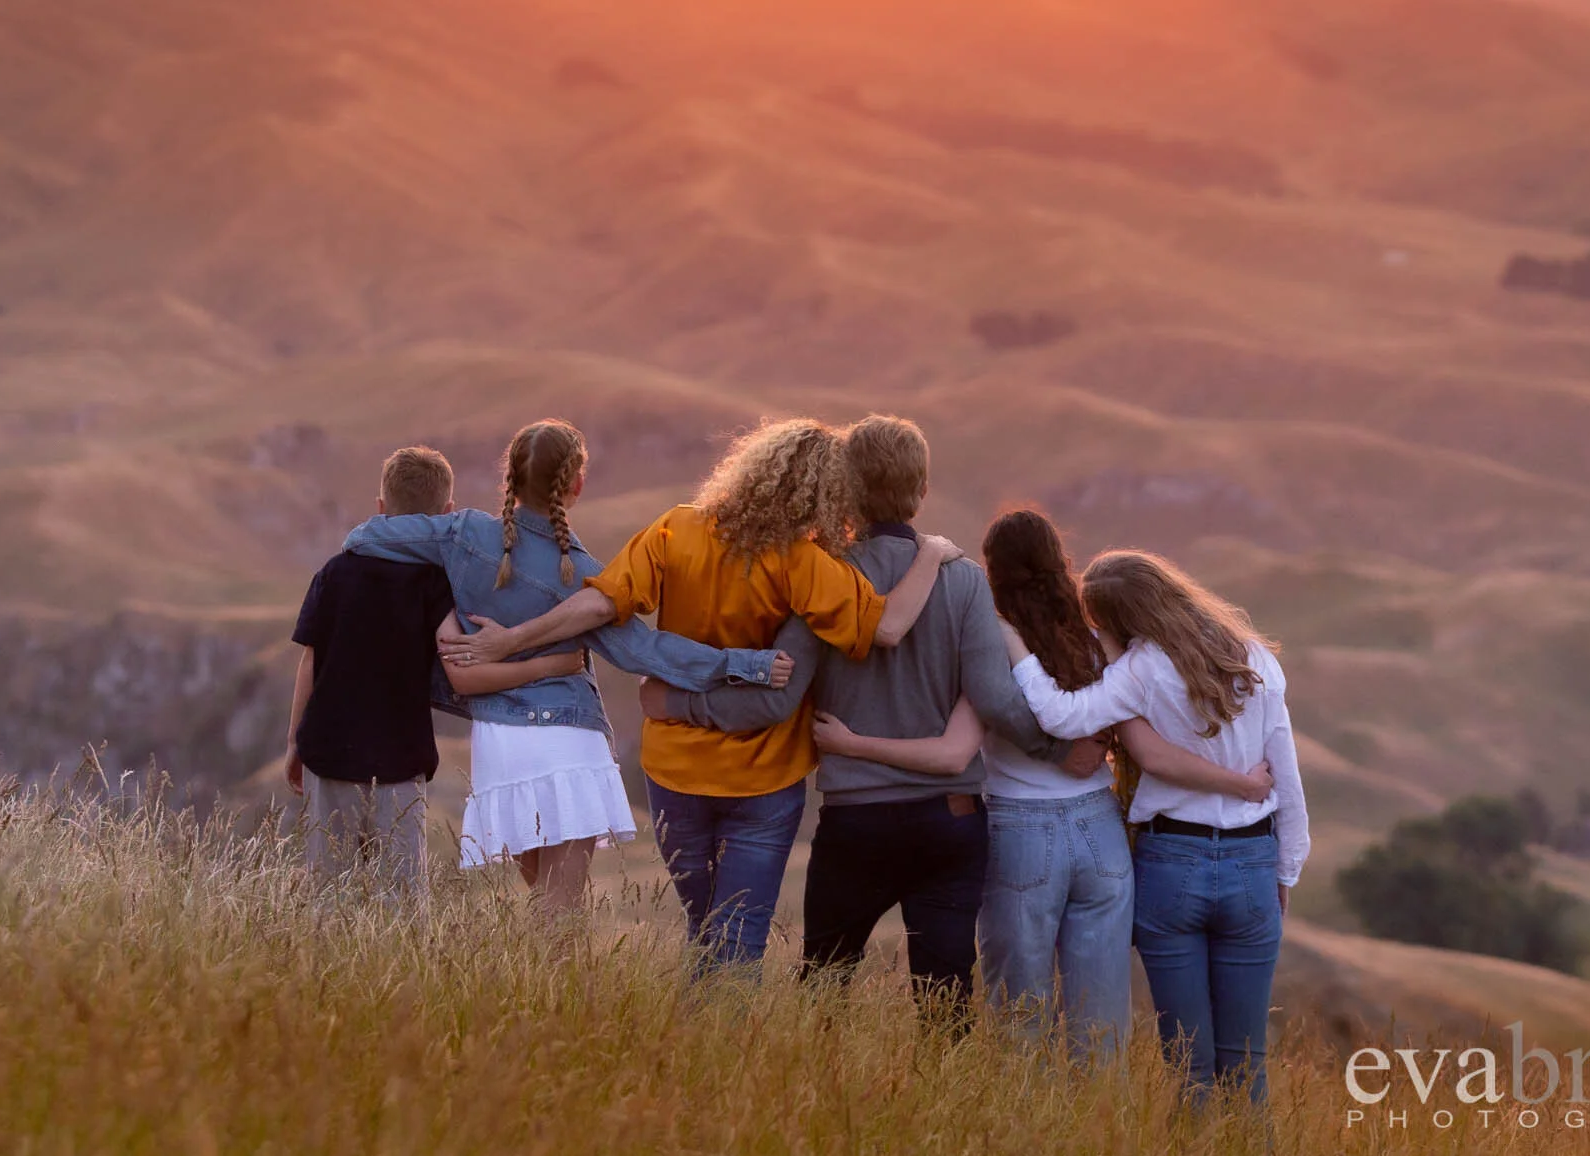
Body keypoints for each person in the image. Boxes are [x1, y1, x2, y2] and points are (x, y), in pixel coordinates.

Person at [641, 421, 1268, 1025]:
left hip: (856, 818)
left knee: (824, 989)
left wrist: (682, 705)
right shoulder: (962, 579)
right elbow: (995, 697)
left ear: (846, 488)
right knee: (946, 1001)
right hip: (949, 821)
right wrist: (1060, 751)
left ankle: (817, 1087)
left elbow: (776, 701)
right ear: (921, 490)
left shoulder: (823, 574)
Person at [445, 418, 955, 972]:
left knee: (704, 930)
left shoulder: (678, 528)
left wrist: (511, 640)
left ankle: (692, 1023)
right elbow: (888, 628)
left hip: (676, 771)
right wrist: (931, 554)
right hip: (764, 778)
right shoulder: (806, 562)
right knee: (736, 943)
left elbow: (600, 604)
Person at [339, 421, 790, 931]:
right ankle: (555, 985)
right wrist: (742, 664)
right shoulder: (583, 572)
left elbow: (366, 537)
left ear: (509, 477)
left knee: (548, 907)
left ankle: (546, 983)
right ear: (576, 483)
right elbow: (646, 653)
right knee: (562, 916)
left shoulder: (461, 532)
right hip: (567, 741)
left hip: (499, 745)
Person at [1000, 549, 1310, 1104]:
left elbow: (1059, 716)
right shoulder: (1254, 658)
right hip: (1251, 862)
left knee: (1188, 1064)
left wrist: (1016, 649)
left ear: (1117, 621)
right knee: (1247, 1065)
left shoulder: (1138, 671)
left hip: (1172, 863)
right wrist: (1285, 868)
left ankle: (1192, 1148)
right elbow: (1286, 775)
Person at [283, 445, 585, 901]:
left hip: (326, 755)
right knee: (402, 904)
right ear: (447, 513)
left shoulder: (334, 573)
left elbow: (310, 660)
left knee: (328, 897)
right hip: (400, 764)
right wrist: (546, 663)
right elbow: (460, 665)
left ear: (380, 507)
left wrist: (294, 742)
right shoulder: (433, 584)